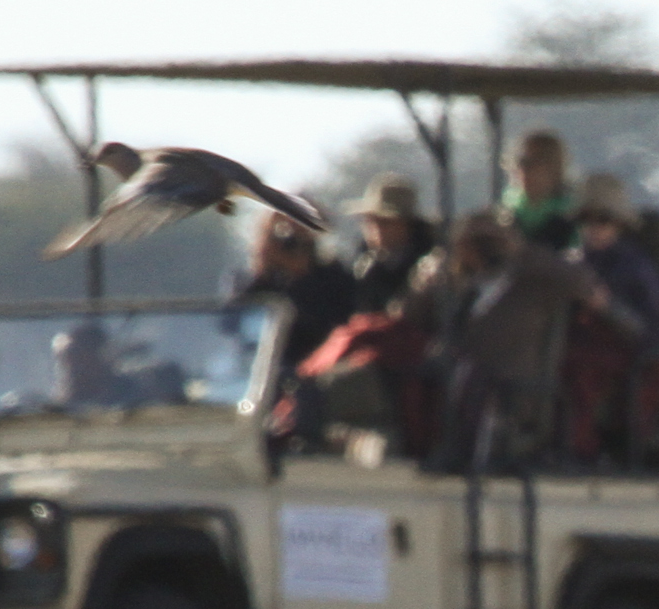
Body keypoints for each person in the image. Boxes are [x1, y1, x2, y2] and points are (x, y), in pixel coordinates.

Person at [413, 211, 594, 470]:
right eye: (473, 242)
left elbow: (578, 279)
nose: (482, 250)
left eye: (487, 242)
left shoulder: (531, 282)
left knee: (472, 383)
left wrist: (519, 250)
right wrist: (430, 279)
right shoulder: (463, 287)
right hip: (460, 381)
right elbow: (413, 317)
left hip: (513, 385)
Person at [560, 173, 659, 461]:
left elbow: (647, 329)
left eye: (603, 220)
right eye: (587, 220)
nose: (594, 229)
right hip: (574, 341)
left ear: (619, 224)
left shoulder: (637, 268)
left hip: (625, 351)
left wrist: (606, 306)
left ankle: (582, 450)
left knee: (577, 369)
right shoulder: (571, 262)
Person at [230, 214, 356, 368]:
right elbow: (230, 322)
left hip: (317, 364)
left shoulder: (332, 274)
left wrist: (301, 276)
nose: (289, 244)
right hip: (264, 366)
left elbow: (333, 322)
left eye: (297, 238)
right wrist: (262, 267)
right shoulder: (253, 279)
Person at [347, 173, 436, 314]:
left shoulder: (430, 262)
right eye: (370, 222)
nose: (376, 230)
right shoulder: (364, 264)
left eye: (385, 222)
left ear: (407, 224)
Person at [503, 130, 577, 251]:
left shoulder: (573, 214)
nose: (525, 170)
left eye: (534, 163)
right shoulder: (506, 213)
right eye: (521, 162)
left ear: (554, 168)